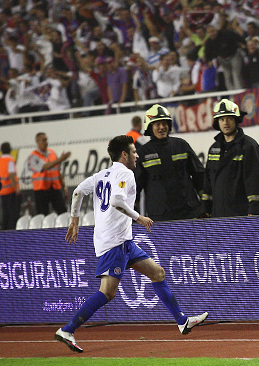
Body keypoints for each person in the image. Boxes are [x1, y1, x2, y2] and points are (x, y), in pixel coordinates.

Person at [54, 135, 207, 353]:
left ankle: (182, 320)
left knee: (158, 273)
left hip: (123, 241)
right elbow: (117, 201)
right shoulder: (125, 173)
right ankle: (68, 329)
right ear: (124, 154)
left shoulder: (101, 175)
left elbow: (78, 192)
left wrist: (74, 220)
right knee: (107, 293)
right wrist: (140, 218)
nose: (137, 155)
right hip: (115, 242)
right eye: (134, 152)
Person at [135, 105, 204, 222]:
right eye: (157, 124)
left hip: (189, 212)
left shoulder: (181, 145)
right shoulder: (143, 153)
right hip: (160, 217)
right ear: (150, 127)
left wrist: (205, 204)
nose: (162, 127)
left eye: (164, 123)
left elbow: (199, 176)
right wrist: (133, 215)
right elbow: (135, 187)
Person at [202, 99, 259, 218]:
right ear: (217, 122)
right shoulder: (214, 149)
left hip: (241, 214)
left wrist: (254, 211)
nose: (225, 123)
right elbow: (207, 182)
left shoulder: (249, 146)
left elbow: (254, 181)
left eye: (229, 119)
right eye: (222, 119)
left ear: (236, 120)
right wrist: (205, 208)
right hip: (217, 214)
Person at [27, 133, 71, 216]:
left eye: (46, 139)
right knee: (42, 215)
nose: (46, 142)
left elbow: (58, 171)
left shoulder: (52, 153)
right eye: (43, 140)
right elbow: (45, 167)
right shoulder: (33, 156)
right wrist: (60, 159)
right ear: (37, 141)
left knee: (62, 212)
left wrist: (64, 186)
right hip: (41, 190)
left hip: (54, 188)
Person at [0, 142, 20, 230]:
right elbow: (11, 175)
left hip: (2, 191)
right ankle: (11, 233)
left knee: (5, 214)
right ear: (10, 149)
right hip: (11, 191)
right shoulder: (10, 160)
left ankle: (4, 233)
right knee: (13, 215)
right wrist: (17, 190)